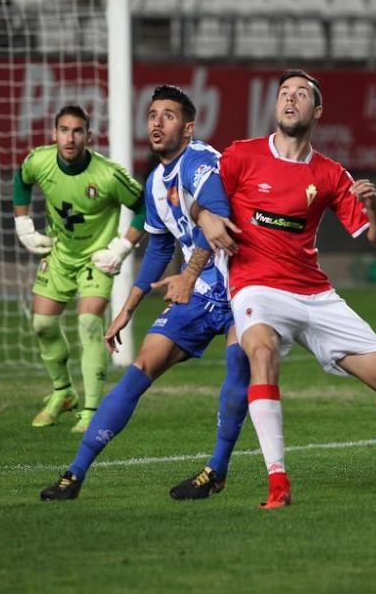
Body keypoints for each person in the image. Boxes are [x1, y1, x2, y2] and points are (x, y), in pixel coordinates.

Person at [206, 70, 376, 508]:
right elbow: (199, 196)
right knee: (261, 354)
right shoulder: (241, 156)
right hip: (256, 286)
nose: (290, 99)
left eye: (300, 94)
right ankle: (278, 482)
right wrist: (204, 221)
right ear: (275, 107)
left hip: (315, 295)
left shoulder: (331, 174)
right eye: (283, 93)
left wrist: (373, 207)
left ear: (317, 111)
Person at [40, 85, 250, 501]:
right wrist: (128, 308)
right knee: (140, 368)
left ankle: (217, 470)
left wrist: (189, 275)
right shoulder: (155, 182)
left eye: (168, 115)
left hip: (245, 283)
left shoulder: (202, 162)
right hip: (202, 291)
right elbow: (157, 247)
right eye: (153, 114)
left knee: (237, 367)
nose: (156, 121)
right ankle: (75, 473)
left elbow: (220, 219)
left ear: (188, 128)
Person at [14, 105, 145, 433]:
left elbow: (144, 208)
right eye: (64, 130)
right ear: (54, 133)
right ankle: (63, 393)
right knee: (42, 324)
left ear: (89, 136)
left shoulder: (108, 175)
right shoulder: (40, 161)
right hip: (59, 255)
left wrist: (122, 246)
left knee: (89, 323)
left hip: (96, 259)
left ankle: (91, 410)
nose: (69, 138)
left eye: (77, 131)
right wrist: (23, 224)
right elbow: (21, 178)